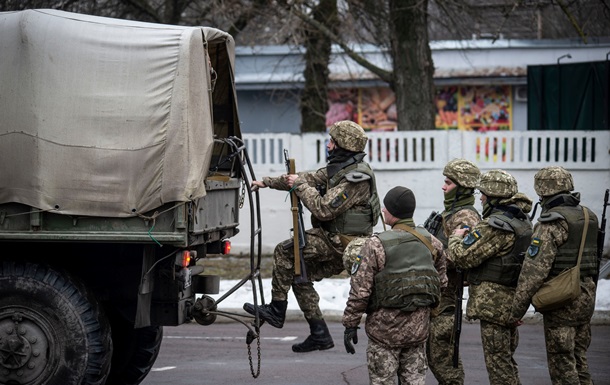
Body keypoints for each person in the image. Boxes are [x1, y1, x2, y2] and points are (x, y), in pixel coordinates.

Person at [243, 120, 381, 353]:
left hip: (344, 244)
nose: (328, 146)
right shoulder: (340, 169)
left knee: (285, 252)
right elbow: (303, 179)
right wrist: (266, 183)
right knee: (299, 273)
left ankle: (277, 310)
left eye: (332, 142)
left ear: (343, 146)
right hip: (332, 239)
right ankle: (320, 334)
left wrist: (299, 186)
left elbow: (324, 208)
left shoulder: (355, 179)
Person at [342, 186, 448, 385]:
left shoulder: (376, 245)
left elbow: (360, 291)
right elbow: (441, 282)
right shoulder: (431, 242)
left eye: (386, 208)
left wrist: (350, 324)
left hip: (384, 334)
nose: (383, 210)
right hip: (417, 333)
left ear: (393, 212)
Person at [509, 166, 598, 385]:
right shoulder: (588, 216)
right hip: (586, 294)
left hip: (562, 299)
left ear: (542, 189)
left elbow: (533, 272)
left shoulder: (552, 222)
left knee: (562, 364)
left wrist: (516, 311)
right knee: (580, 359)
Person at [448, 169, 533, 385]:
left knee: (498, 366)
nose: (482, 198)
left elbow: (462, 257)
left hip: (494, 307)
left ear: (494, 196)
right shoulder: (522, 222)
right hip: (511, 302)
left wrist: (456, 238)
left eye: (484, 194)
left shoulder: (496, 225)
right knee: (506, 361)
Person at [425, 158, 482, 385]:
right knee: (434, 355)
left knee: (442, 359)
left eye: (448, 183)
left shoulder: (465, 217)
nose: (443, 186)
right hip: (439, 293)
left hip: (449, 297)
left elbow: (462, 257)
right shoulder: (452, 213)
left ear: (462, 187)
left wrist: (427, 255)